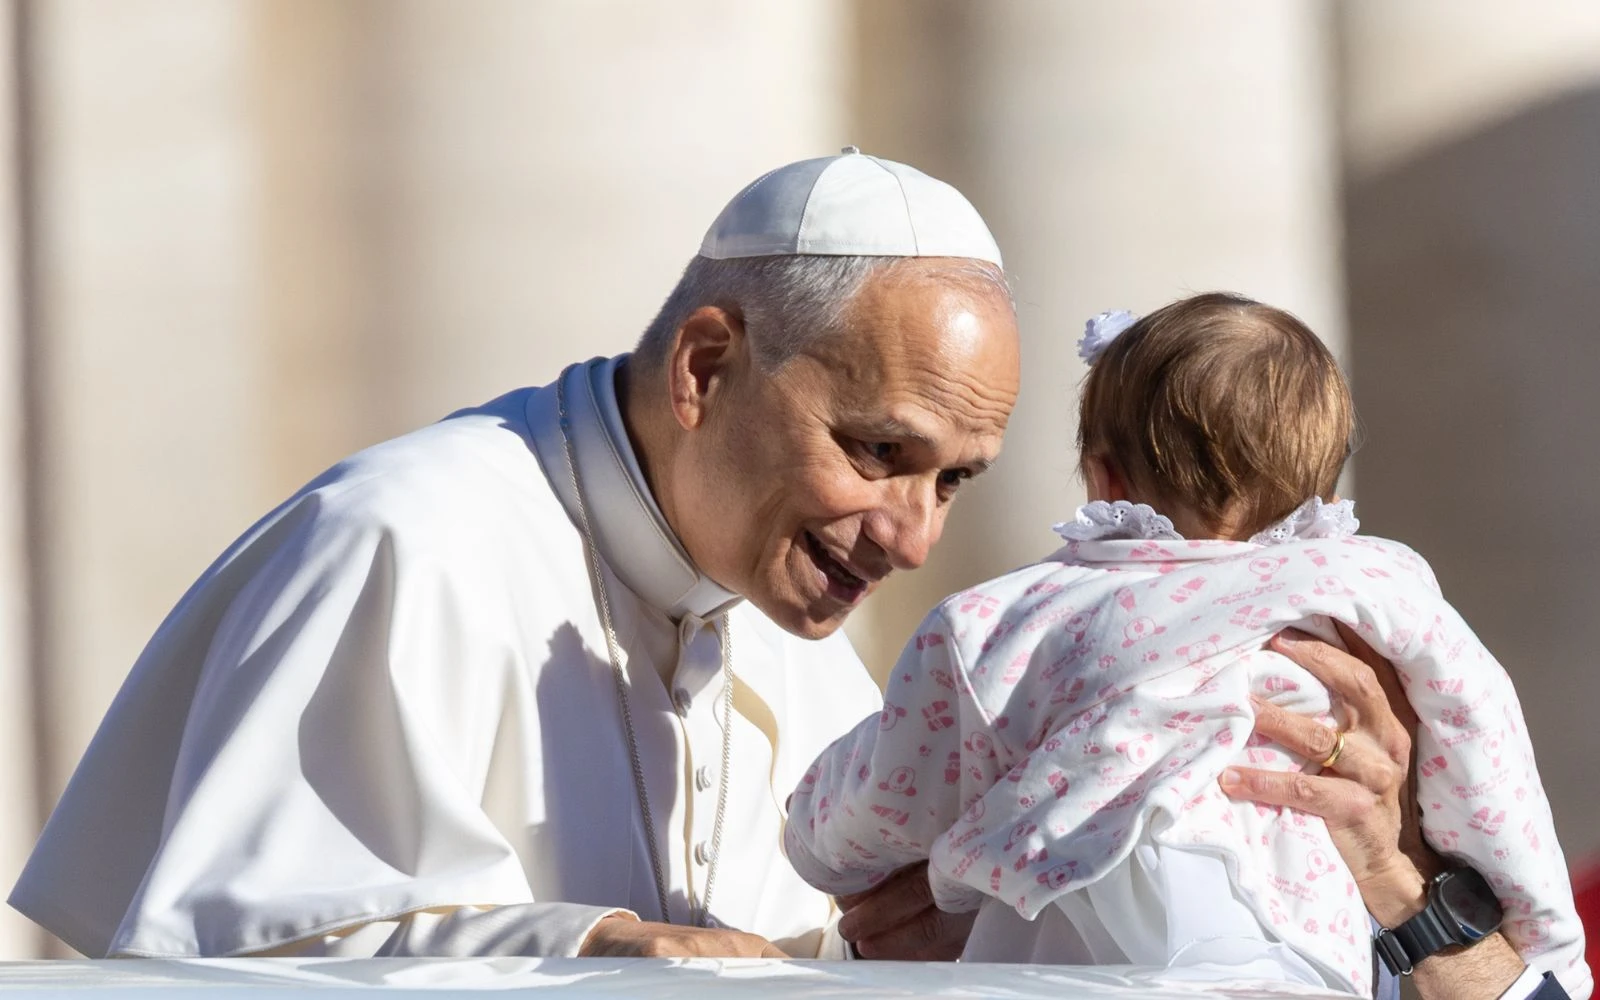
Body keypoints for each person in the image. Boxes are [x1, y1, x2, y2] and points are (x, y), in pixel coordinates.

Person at [7, 149, 1023, 960]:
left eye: (952, 481)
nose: (913, 538)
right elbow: (223, 960)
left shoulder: (799, 630)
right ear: (705, 367)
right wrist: (587, 952)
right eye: (877, 452)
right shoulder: (400, 544)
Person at [783, 294, 1588, 997]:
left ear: (1104, 479)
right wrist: (1549, 946)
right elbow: (1488, 755)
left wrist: (815, 839)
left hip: (1069, 956)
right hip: (1309, 954)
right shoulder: (1374, 592)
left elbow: (894, 784)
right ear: (1325, 487)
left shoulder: (1019, 617)